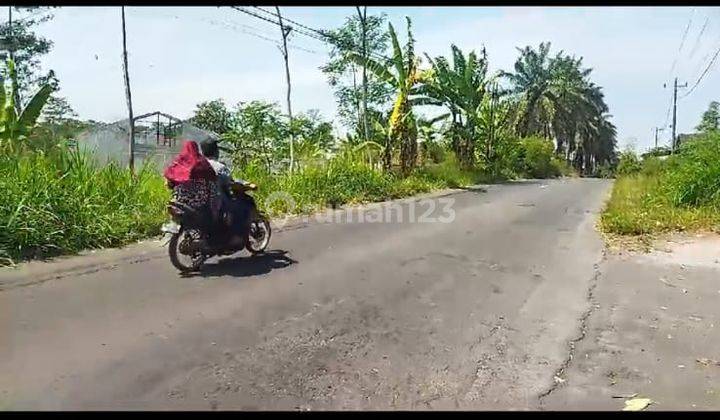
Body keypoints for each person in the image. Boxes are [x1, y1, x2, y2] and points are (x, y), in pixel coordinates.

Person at [199, 139, 253, 244]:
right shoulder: (219, 167)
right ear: (216, 151)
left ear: (203, 151)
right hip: (217, 202)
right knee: (243, 208)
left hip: (201, 201)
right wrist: (247, 185)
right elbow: (231, 183)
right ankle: (235, 238)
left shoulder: (197, 165)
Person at [163, 140, 217, 225]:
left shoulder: (179, 163)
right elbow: (212, 180)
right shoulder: (202, 164)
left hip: (178, 203)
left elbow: (168, 182)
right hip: (198, 205)